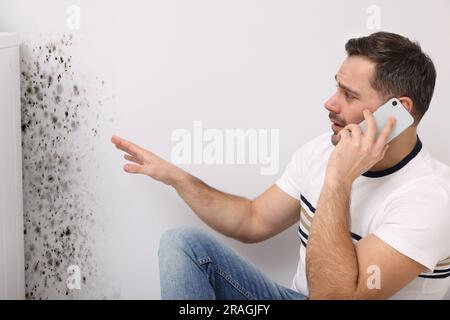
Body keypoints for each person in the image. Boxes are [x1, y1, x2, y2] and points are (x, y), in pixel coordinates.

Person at [111, 31, 450, 300]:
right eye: (337, 86)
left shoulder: (430, 199)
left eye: (349, 95)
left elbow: (333, 298)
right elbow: (253, 220)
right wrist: (177, 177)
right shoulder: (323, 150)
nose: (330, 103)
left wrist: (338, 180)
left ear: (398, 112)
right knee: (184, 245)